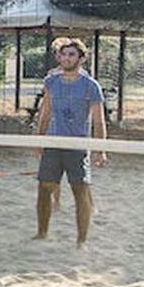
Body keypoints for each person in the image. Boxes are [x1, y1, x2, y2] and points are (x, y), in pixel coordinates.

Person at [34, 37, 109, 246]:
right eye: (64, 54)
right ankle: (42, 233)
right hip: (54, 143)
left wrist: (100, 149)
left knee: (80, 191)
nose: (66, 58)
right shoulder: (51, 82)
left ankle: (81, 241)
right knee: (44, 188)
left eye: (71, 54)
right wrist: (39, 139)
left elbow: (98, 120)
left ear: (81, 58)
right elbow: (45, 112)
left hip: (77, 145)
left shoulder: (90, 86)